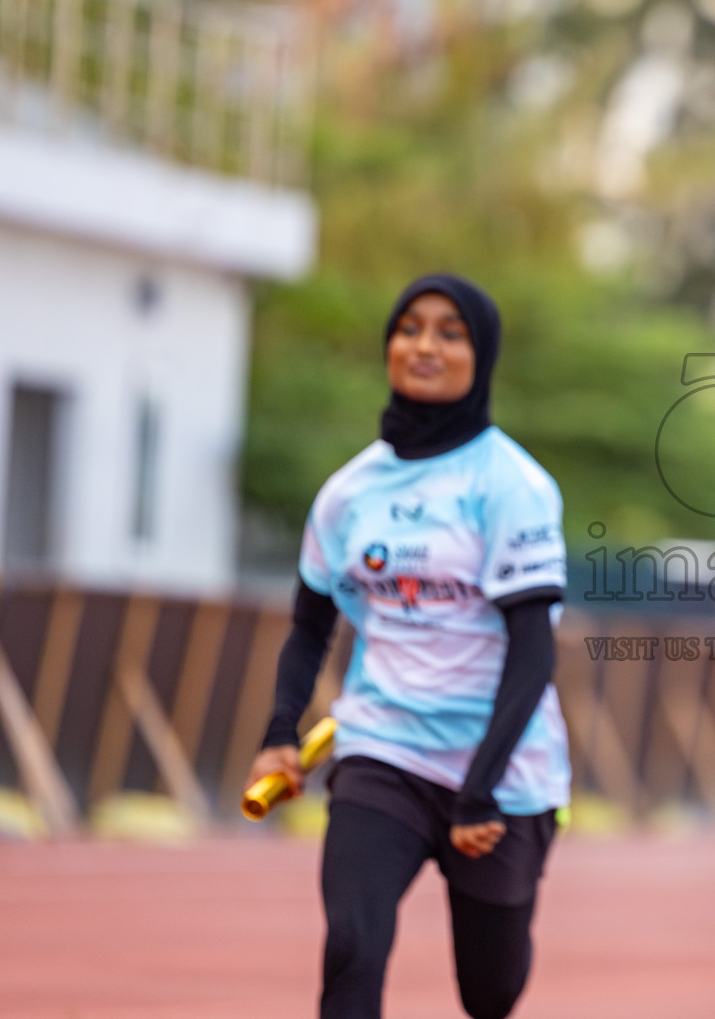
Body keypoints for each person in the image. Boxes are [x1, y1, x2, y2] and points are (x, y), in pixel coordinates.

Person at [243, 274, 570, 1019]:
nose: (424, 345)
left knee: (490, 991)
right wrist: (277, 734)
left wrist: (481, 788)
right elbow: (309, 625)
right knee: (351, 947)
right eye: (410, 328)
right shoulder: (348, 492)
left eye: (449, 332)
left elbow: (533, 655)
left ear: (480, 355)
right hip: (381, 751)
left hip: (500, 774)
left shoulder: (512, 485)